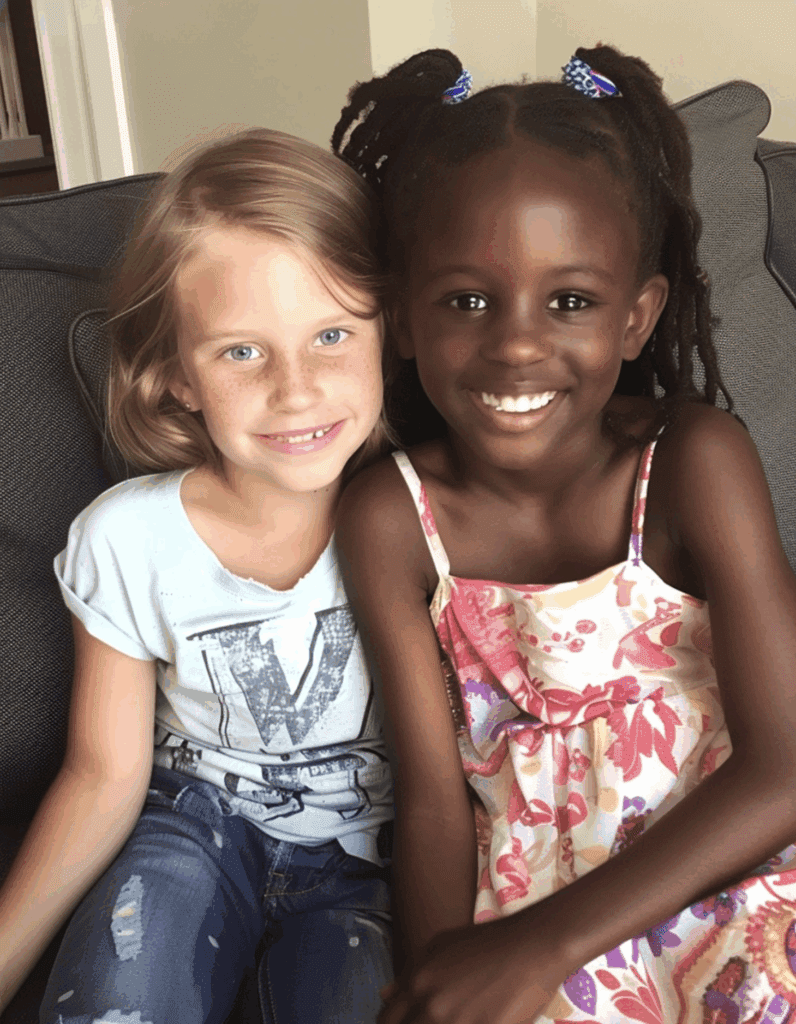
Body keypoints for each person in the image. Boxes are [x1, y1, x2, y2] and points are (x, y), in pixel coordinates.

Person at [332, 46, 796, 1024]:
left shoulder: (692, 462)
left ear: (637, 317)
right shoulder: (390, 518)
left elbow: (785, 765)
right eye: (467, 300)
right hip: (527, 905)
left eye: (571, 301)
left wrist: (541, 944)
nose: (516, 343)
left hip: (730, 867)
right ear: (402, 317)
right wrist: (442, 979)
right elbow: (431, 802)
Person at [0, 128, 396, 1024]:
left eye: (331, 334)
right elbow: (102, 777)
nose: (297, 388)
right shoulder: (127, 538)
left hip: (364, 867)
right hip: (189, 829)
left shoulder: (428, 520)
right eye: (242, 352)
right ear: (176, 376)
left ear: (387, 333)